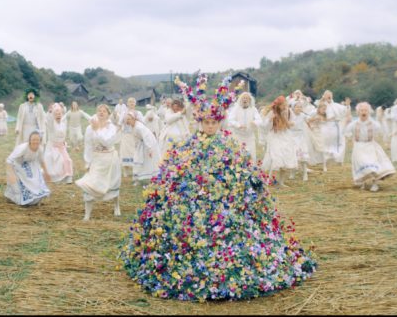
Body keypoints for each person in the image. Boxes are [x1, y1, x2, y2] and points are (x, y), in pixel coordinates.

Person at [118, 74, 316, 301]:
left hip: (227, 210)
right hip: (194, 211)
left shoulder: (230, 145)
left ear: (219, 123)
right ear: (200, 123)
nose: (210, 126)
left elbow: (244, 171)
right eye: (206, 123)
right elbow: (178, 174)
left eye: (214, 122)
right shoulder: (188, 148)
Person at [76, 104, 122, 221]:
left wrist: (97, 130)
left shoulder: (111, 127)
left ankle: (116, 206)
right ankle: (87, 214)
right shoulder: (90, 128)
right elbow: (88, 145)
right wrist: (88, 162)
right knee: (90, 184)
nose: (101, 113)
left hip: (110, 158)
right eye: (99, 111)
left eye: (104, 111)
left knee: (113, 184)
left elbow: (107, 142)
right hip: (96, 159)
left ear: (108, 114)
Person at [344, 102, 396, 192]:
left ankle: (374, 183)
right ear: (358, 112)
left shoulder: (373, 123)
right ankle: (363, 183)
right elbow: (347, 132)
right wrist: (348, 137)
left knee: (373, 165)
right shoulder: (354, 124)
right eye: (361, 110)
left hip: (370, 145)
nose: (363, 112)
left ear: (368, 112)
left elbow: (380, 131)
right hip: (359, 146)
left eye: (365, 110)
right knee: (362, 163)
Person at [4, 131, 51, 205]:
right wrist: (11, 174)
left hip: (31, 167)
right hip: (18, 166)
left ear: (40, 141)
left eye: (37, 140)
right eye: (33, 140)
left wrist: (46, 172)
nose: (35, 142)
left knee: (35, 182)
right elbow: (9, 160)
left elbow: (42, 161)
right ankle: (17, 198)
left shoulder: (40, 149)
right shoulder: (23, 148)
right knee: (18, 187)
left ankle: (35, 197)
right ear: (29, 140)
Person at [261, 95, 298, 186]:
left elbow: (294, 122)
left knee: (286, 158)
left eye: (285, 104)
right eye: (283, 105)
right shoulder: (272, 113)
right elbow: (265, 126)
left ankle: (281, 182)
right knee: (276, 158)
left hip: (285, 135)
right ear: (278, 105)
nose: (285, 106)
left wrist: (290, 123)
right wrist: (270, 120)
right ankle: (268, 180)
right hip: (275, 136)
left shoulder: (289, 112)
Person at [315, 90, 350, 165]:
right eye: (327, 95)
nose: (329, 96)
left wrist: (347, 105)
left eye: (330, 95)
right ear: (324, 96)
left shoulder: (336, 105)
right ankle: (326, 159)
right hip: (325, 125)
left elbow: (344, 110)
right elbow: (317, 110)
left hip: (336, 126)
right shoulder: (322, 105)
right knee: (326, 143)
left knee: (340, 142)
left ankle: (338, 159)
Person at [125, 111, 160, 185]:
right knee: (138, 159)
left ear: (134, 119)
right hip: (141, 144)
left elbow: (146, 137)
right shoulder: (133, 126)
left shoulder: (139, 127)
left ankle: (153, 178)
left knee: (149, 161)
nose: (127, 121)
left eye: (129, 119)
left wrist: (150, 149)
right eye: (127, 119)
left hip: (149, 143)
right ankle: (137, 178)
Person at [227, 91, 262, 161]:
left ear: (249, 100)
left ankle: (251, 169)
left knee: (251, 155)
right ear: (241, 99)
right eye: (243, 98)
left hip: (250, 137)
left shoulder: (253, 109)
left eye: (246, 98)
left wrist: (254, 122)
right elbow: (230, 120)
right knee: (239, 155)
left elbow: (259, 120)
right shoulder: (236, 109)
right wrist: (238, 125)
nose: (245, 100)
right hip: (238, 136)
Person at [44, 103, 73, 184]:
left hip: (61, 147)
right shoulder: (51, 124)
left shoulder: (63, 123)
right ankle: (55, 176)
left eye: (59, 114)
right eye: (56, 114)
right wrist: (50, 112)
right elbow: (49, 120)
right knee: (56, 162)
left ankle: (68, 177)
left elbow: (63, 134)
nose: (58, 115)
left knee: (67, 160)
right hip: (52, 147)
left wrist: (63, 142)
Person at [118, 97, 144, 177]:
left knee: (134, 152)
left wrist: (135, 120)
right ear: (127, 103)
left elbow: (142, 123)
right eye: (130, 102)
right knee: (125, 152)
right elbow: (119, 123)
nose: (131, 103)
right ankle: (126, 170)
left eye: (133, 102)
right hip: (126, 135)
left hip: (135, 135)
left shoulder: (138, 113)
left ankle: (135, 170)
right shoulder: (123, 113)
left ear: (135, 103)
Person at [289, 101, 311, 181]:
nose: (299, 108)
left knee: (302, 155)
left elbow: (309, 120)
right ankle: (293, 172)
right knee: (293, 155)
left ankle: (305, 173)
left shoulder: (303, 115)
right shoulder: (290, 115)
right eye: (297, 107)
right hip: (292, 136)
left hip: (300, 136)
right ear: (293, 108)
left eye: (300, 107)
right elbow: (286, 123)